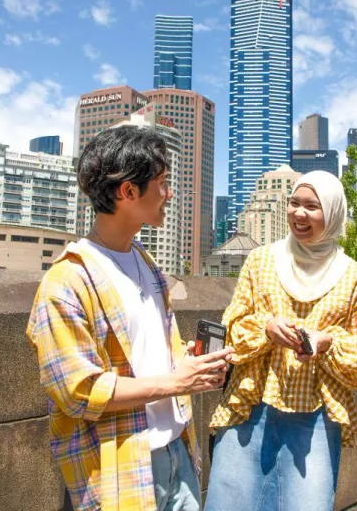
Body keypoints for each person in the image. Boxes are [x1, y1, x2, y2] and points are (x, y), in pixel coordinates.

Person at [26, 126, 233, 511]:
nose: (168, 194)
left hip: (178, 451)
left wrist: (185, 364)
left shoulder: (146, 261)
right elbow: (78, 391)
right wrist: (173, 382)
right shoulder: (67, 281)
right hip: (120, 467)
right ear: (128, 192)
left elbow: (145, 352)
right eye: (162, 183)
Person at [205, 171, 357, 511]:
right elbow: (232, 328)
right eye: (294, 203)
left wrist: (327, 343)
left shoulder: (355, 276)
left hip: (316, 414)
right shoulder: (260, 260)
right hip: (250, 404)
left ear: (333, 213)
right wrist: (267, 328)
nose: (299, 214)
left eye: (312, 207)